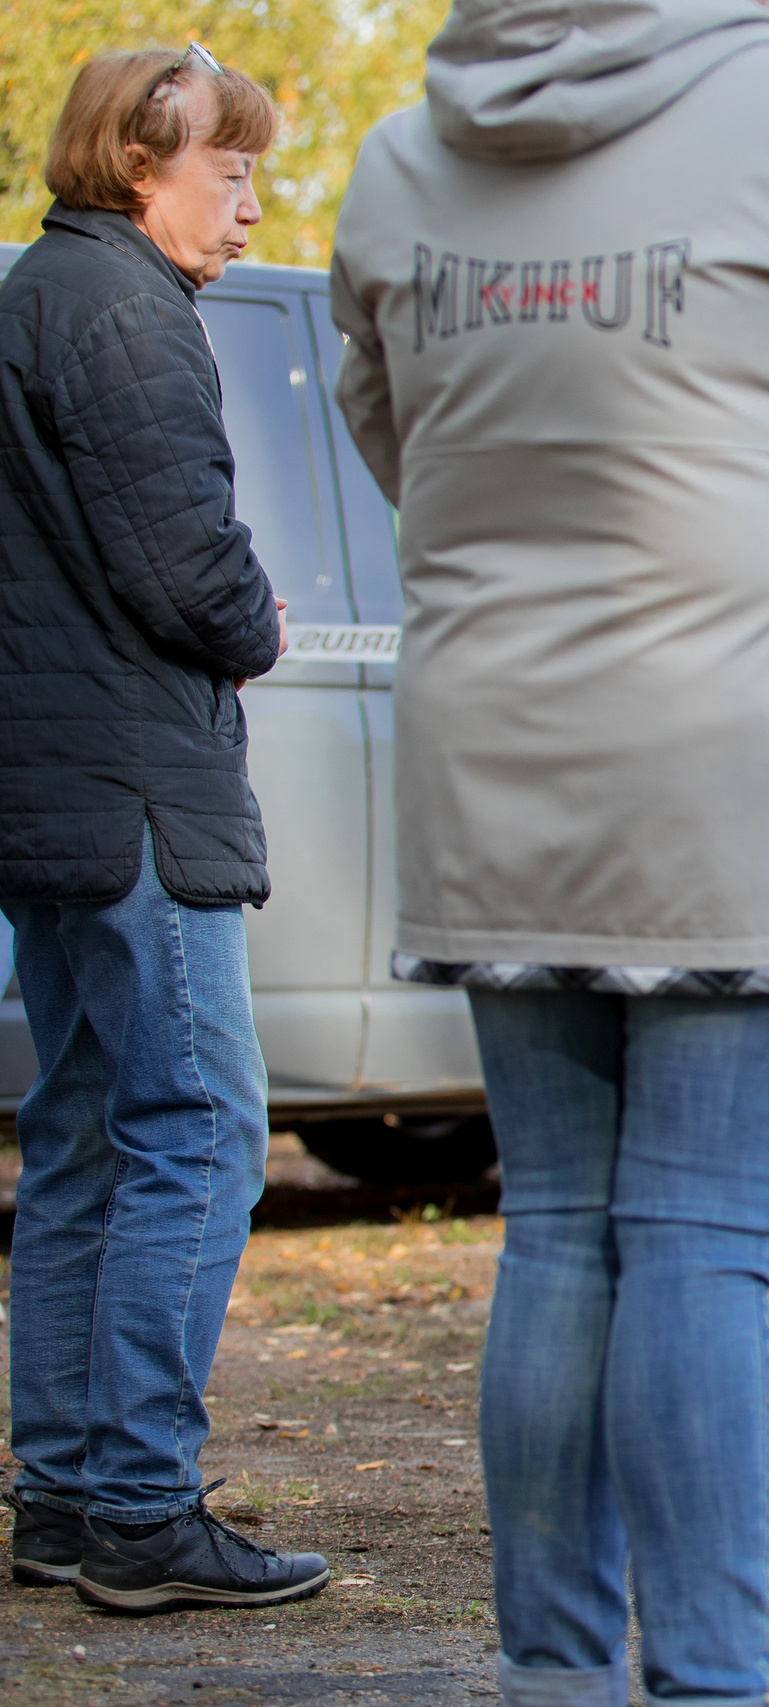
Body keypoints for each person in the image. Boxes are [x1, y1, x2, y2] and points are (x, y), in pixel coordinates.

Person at [327, 1, 769, 1701]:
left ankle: (554, 1673)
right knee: (701, 1244)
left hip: (501, 756)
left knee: (561, 1230)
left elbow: (398, 450)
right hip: (751, 761)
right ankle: (716, 1677)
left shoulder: (401, 157)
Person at [0, 44, 327, 1614]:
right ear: (141, 163)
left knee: (80, 1130)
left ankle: (63, 1493)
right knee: (197, 1131)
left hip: (54, 784)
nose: (250, 200)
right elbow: (185, 570)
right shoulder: (129, 312)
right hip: (134, 784)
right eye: (231, 168)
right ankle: (138, 1502)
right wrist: (254, 617)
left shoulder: (39, 296)